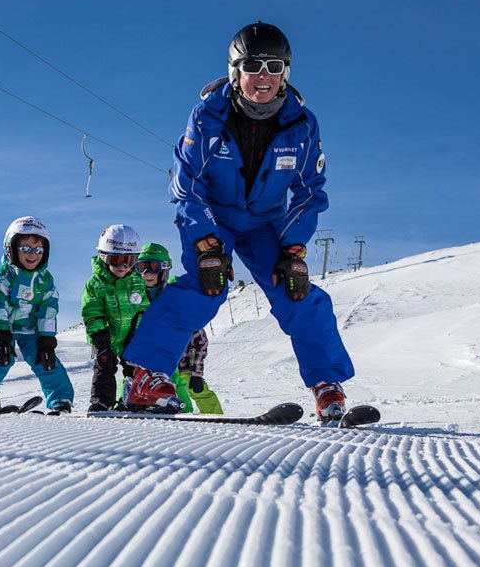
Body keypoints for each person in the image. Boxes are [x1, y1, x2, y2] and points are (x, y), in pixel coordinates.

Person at [122, 21, 355, 421]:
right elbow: (186, 187)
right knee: (204, 288)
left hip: (267, 223)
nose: (263, 76)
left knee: (297, 292)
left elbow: (310, 191)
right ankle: (147, 378)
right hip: (213, 216)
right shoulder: (206, 118)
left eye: (274, 66)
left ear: (286, 72)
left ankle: (327, 385)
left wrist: (294, 247)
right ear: (235, 71)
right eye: (253, 65)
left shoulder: (302, 125)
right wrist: (206, 242)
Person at [0, 216, 75, 413]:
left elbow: (48, 309)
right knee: (1, 360)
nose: (32, 254)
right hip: (6, 328)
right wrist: (1, 334)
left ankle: (61, 400)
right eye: (26, 249)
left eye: (38, 250)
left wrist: (46, 340)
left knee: (46, 362)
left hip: (32, 329)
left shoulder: (45, 280)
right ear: (11, 249)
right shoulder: (4, 275)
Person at [134, 243, 222, 414]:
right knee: (136, 381)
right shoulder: (137, 298)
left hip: (183, 363)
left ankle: (210, 416)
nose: (147, 274)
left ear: (165, 268)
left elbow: (199, 338)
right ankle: (129, 404)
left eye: (153, 267)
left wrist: (196, 372)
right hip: (155, 361)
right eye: (142, 267)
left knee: (194, 387)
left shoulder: (176, 296)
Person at [81, 224, 150, 412]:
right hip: (105, 337)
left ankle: (135, 399)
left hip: (130, 335)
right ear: (104, 257)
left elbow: (143, 308)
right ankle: (102, 402)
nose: (123, 267)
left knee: (135, 367)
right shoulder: (95, 284)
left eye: (129, 260)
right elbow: (91, 311)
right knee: (105, 367)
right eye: (117, 260)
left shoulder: (137, 281)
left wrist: (136, 332)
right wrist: (100, 337)